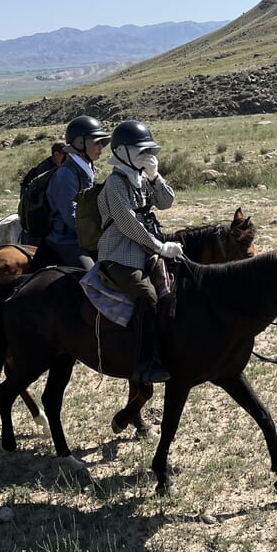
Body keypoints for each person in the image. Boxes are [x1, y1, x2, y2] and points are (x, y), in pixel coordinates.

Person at [96, 120, 181, 385]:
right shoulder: (115, 183)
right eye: (141, 151)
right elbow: (128, 224)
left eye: (149, 152)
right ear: (121, 151)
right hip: (119, 255)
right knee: (148, 296)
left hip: (146, 248)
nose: (147, 156)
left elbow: (166, 202)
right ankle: (144, 364)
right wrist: (160, 247)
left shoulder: (141, 177)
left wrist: (155, 177)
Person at [34, 115, 110, 270]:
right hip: (66, 240)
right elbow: (71, 216)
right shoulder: (65, 174)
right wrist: (99, 234)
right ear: (80, 143)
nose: (100, 147)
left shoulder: (85, 170)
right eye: (96, 142)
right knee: (92, 276)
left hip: (81, 236)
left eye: (101, 143)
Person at [19, 142, 67, 246]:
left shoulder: (57, 167)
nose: (67, 158)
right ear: (57, 154)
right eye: (65, 155)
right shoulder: (46, 169)